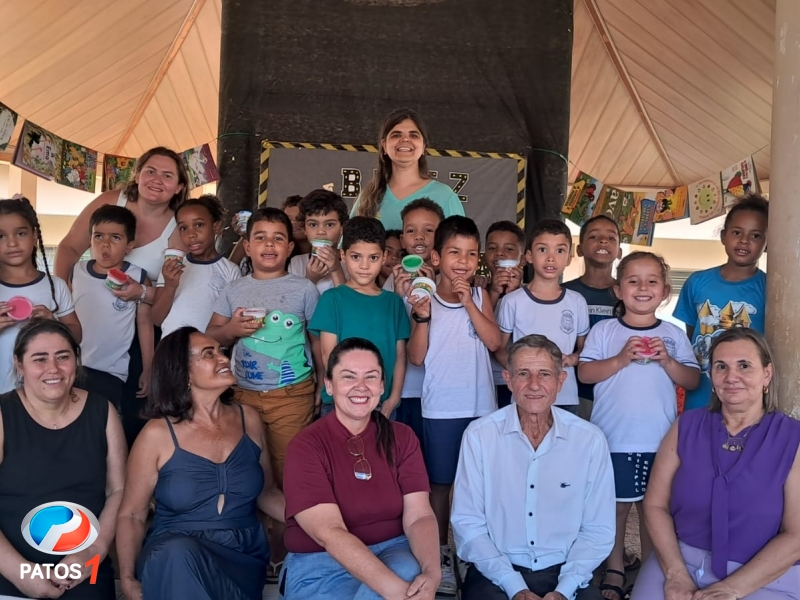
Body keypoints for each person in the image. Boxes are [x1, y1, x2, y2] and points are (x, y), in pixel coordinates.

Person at [116, 327, 285, 600]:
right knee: (178, 553)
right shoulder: (157, 434)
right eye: (209, 354)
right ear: (183, 372)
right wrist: (126, 578)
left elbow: (268, 494)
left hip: (242, 554)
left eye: (221, 351)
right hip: (173, 553)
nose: (223, 359)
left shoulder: (248, 419)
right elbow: (132, 515)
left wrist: (322, 523)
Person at [632, 328, 800, 600]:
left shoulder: (793, 438)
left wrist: (731, 589)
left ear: (766, 374)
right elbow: (655, 504)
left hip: (767, 575)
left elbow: (797, 535)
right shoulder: (686, 426)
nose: (731, 376)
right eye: (721, 366)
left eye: (744, 366)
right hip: (680, 561)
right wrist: (675, 573)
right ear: (712, 376)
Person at [451, 334, 616, 600]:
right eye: (523, 374)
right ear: (508, 379)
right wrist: (513, 585)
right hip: (497, 569)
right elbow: (467, 522)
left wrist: (564, 589)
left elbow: (598, 528)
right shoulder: (480, 435)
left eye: (545, 374)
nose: (534, 385)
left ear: (561, 381)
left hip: (566, 570)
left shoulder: (589, 439)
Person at [207, 207, 321, 581]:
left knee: (289, 471)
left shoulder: (304, 288)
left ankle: (287, 549)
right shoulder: (234, 288)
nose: (268, 244)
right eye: (260, 237)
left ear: (290, 247)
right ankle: (254, 548)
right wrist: (233, 330)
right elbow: (213, 338)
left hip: (293, 394)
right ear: (247, 245)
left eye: (277, 238)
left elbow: (317, 341)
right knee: (248, 472)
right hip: (243, 397)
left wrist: (322, 383)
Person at [578, 251, 701, 600]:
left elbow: (692, 379)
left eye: (652, 281)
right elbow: (585, 373)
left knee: (654, 509)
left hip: (660, 442)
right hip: (613, 438)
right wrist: (620, 359)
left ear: (665, 292)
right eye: (633, 281)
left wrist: (668, 360)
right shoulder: (604, 330)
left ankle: (650, 569)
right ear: (618, 290)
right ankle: (615, 567)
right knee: (614, 509)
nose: (643, 287)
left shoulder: (673, 334)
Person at [281, 337, 440, 599]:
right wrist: (395, 592)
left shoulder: (402, 437)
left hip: (394, 553)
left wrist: (432, 573)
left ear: (381, 386)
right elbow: (329, 533)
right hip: (322, 562)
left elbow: (420, 516)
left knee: (405, 567)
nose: (361, 387)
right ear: (329, 385)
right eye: (348, 376)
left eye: (371, 377)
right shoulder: (306, 445)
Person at [55, 146, 190, 446]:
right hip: (86, 322)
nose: (157, 180)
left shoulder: (177, 227)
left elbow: (168, 291)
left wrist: (141, 292)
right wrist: (62, 303)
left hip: (139, 320)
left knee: (128, 412)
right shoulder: (109, 202)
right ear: (138, 174)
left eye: (167, 176)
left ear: (179, 186)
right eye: (151, 171)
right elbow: (68, 249)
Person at [407, 215, 501, 596]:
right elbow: (415, 357)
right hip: (441, 407)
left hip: (482, 408)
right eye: (453, 253)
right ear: (435, 256)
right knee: (440, 485)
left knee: (481, 486)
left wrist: (469, 302)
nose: (462, 262)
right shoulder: (419, 297)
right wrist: (423, 315)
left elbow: (494, 342)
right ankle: (441, 554)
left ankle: (475, 553)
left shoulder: (480, 295)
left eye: (470, 254)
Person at [0, 319, 126, 599]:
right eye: (39, 359)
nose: (53, 369)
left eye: (63, 357)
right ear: (19, 365)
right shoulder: (2, 414)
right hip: (9, 569)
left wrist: (93, 552)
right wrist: (22, 574)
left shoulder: (102, 411)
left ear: (76, 361)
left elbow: (118, 489)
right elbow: (20, 574)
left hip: (86, 567)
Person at [673, 194, 768, 411]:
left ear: (766, 242)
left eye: (755, 235)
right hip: (700, 397)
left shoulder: (770, 288)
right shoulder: (697, 282)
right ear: (724, 236)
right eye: (737, 232)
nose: (744, 241)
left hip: (746, 400)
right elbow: (690, 340)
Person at [308, 217, 410, 419]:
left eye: (373, 258)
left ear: (384, 257)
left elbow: (400, 356)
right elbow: (328, 354)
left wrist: (393, 399)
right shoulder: (332, 299)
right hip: (340, 403)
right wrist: (344, 397)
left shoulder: (393, 303)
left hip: (382, 404)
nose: (364, 265)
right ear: (343, 256)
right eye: (356, 257)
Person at [496, 218, 590, 413]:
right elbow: (498, 348)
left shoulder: (576, 301)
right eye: (542, 249)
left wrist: (571, 359)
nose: (550, 258)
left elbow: (586, 350)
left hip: (564, 396)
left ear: (569, 257)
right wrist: (522, 373)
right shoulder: (512, 301)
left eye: (560, 250)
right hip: (524, 396)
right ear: (529, 256)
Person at [71, 205, 153, 405]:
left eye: (115, 238)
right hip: (73, 367)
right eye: (98, 236)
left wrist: (149, 368)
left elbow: (144, 324)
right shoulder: (77, 271)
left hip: (111, 372)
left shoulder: (138, 277)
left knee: (103, 427)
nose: (105, 245)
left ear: (129, 245)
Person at [0, 198, 81, 393]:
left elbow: (77, 335)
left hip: (45, 395)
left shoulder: (55, 286)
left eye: (21, 233)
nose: (12, 243)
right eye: (0, 236)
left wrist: (54, 323)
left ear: (35, 235)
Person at [386, 199, 444, 452]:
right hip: (404, 389)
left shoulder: (451, 278)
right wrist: (397, 297)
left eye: (428, 230)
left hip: (439, 391)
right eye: (411, 230)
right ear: (402, 238)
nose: (419, 236)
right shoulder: (394, 278)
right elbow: (386, 330)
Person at [351, 108, 465, 230]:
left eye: (413, 135)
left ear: (423, 146)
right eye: (396, 135)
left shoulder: (445, 196)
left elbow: (460, 245)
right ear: (384, 145)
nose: (405, 139)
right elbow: (348, 244)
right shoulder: (368, 197)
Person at [152, 195, 241, 336]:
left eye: (199, 225)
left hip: (209, 353)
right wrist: (170, 286)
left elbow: (230, 324)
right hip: (172, 352)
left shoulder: (230, 271)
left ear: (216, 227)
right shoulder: (171, 268)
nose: (191, 234)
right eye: (183, 228)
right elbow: (157, 319)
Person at [563, 215, 622, 420]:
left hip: (615, 389)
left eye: (611, 238)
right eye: (594, 236)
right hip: (573, 392)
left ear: (619, 251)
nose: (603, 241)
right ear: (579, 249)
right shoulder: (563, 292)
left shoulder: (628, 294)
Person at [477, 220, 525, 408]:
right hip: (484, 381)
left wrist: (513, 292)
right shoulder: (477, 289)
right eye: (492, 248)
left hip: (518, 381)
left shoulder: (532, 293)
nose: (499, 254)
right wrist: (494, 291)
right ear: (483, 256)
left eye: (509, 249)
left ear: (523, 258)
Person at [289, 189, 350, 293]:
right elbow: (295, 305)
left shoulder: (351, 262)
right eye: (313, 225)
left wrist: (336, 269)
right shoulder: (297, 263)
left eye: (330, 225)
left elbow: (346, 305)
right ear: (304, 228)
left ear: (342, 228)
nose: (321, 231)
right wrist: (311, 278)